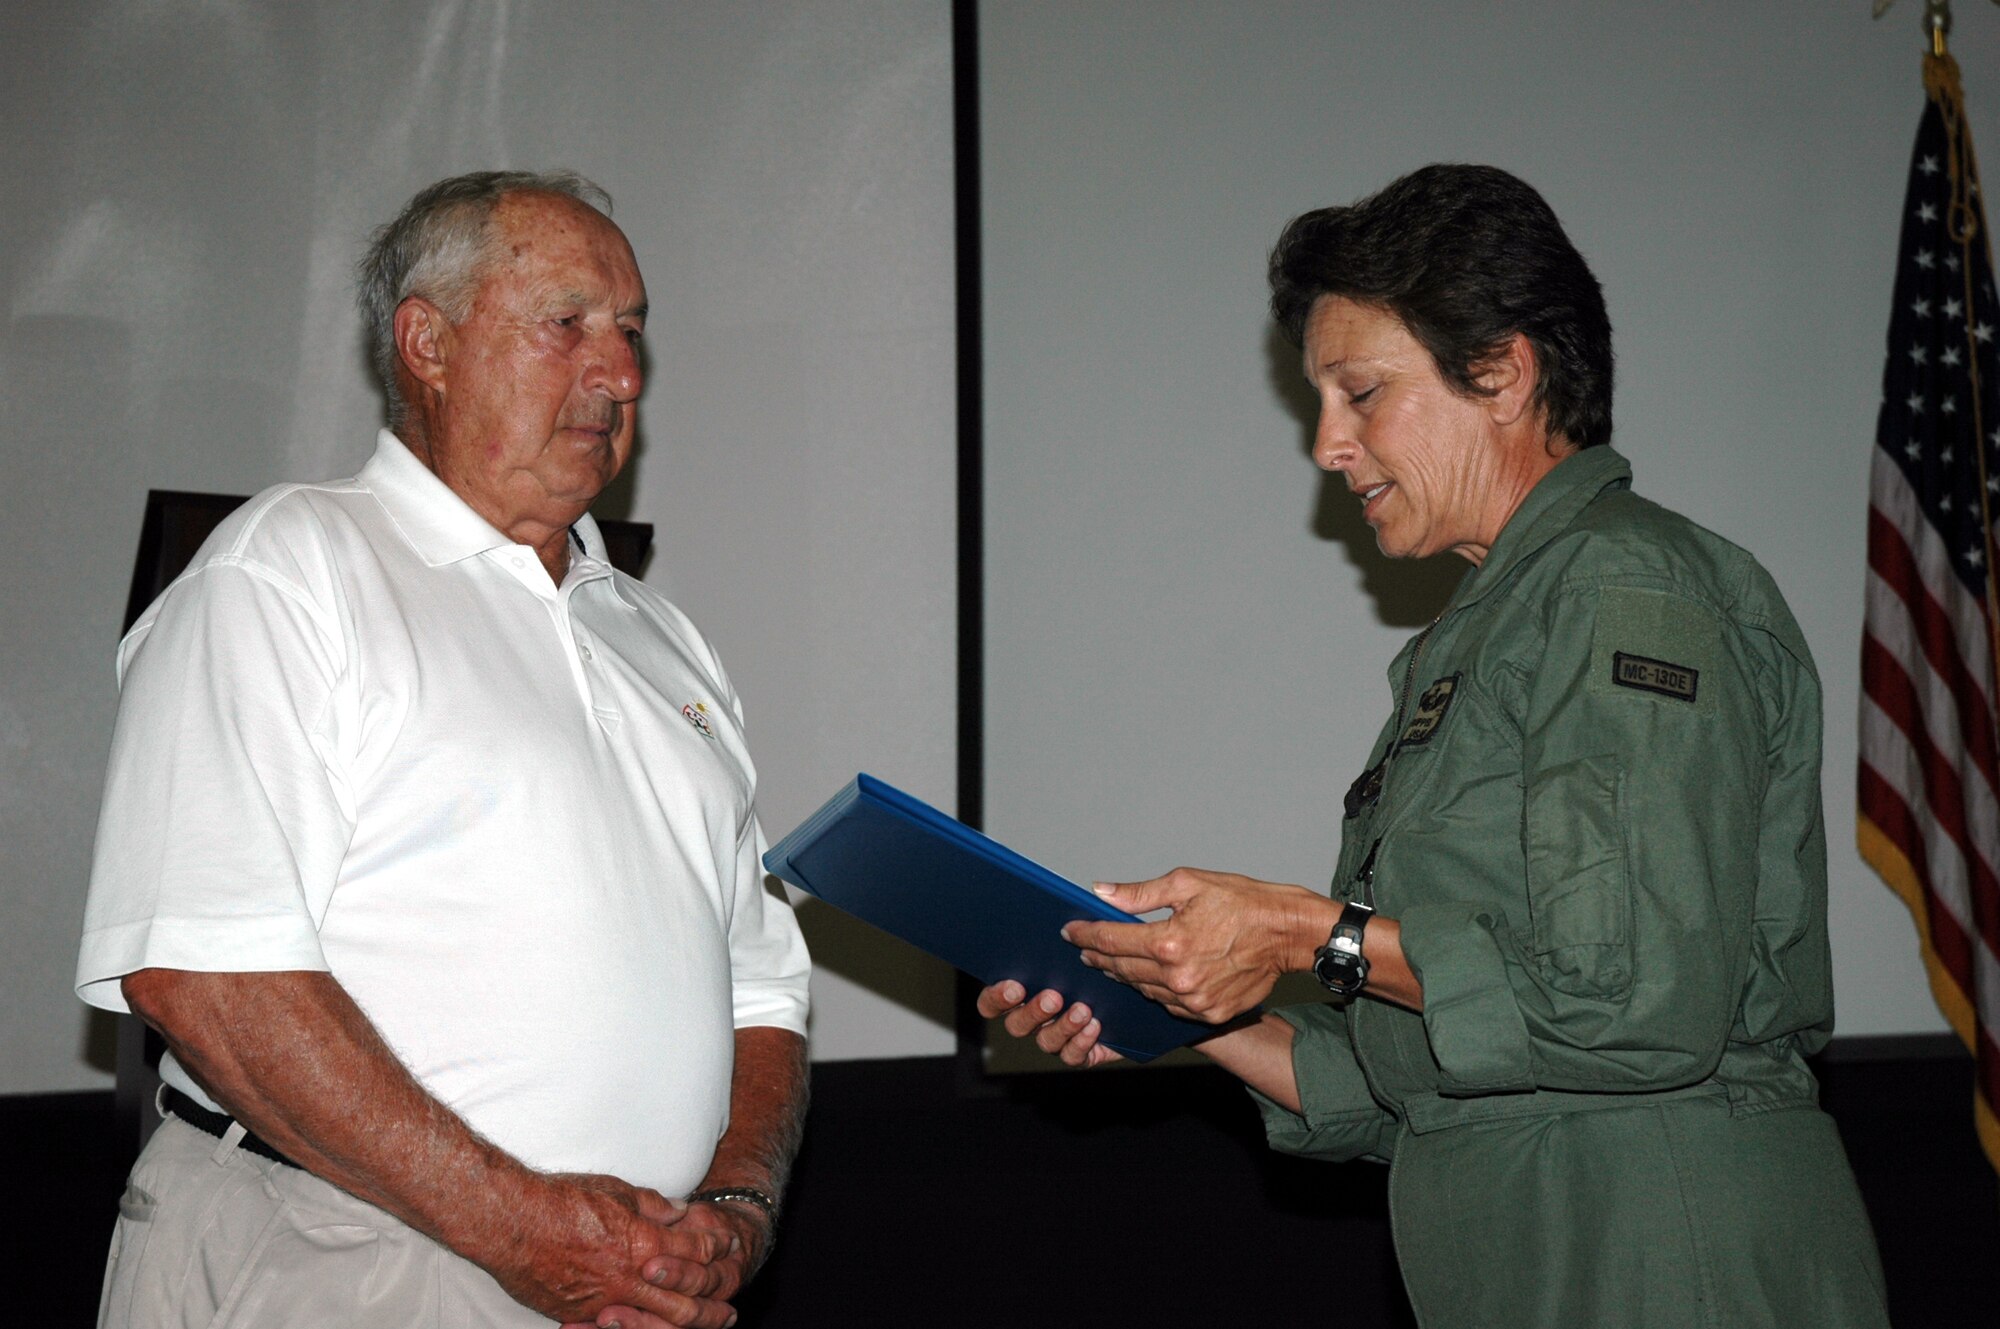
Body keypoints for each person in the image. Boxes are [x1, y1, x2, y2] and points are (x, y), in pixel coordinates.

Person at [980, 163, 1890, 1328]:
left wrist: (1304, 932)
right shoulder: (1491, 627)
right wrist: (1182, 1006)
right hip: (1534, 1249)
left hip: (1660, 1250)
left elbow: (1631, 1005)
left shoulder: (1620, 589)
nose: (1327, 444)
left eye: (1359, 393)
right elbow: (1402, 1082)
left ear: (1502, 373)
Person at [75, 170, 810, 1329]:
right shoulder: (289, 571)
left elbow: (762, 989)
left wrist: (730, 1209)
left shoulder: (660, 636)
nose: (621, 373)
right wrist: (527, 1232)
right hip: (332, 1256)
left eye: (629, 332)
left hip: (631, 1289)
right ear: (427, 344)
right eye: (567, 323)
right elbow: (207, 976)